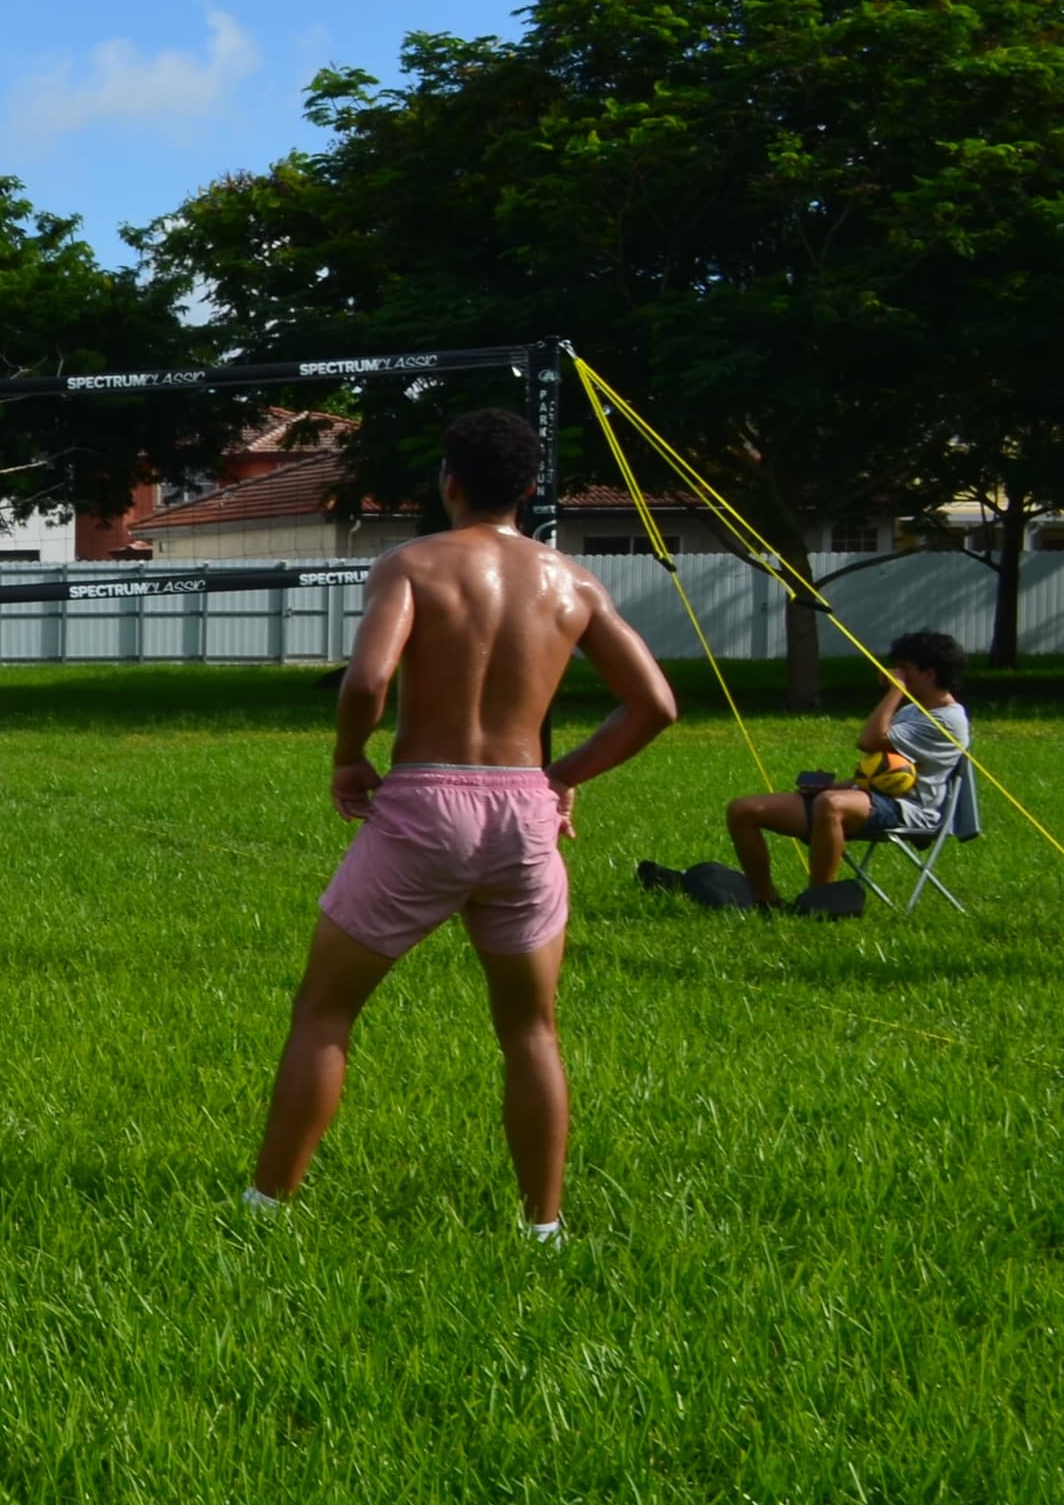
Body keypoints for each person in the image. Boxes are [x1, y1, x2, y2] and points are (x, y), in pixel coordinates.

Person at [244, 409, 678, 1241]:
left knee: (326, 1011)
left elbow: (368, 680)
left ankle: (266, 1209)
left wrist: (347, 756)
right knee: (529, 1029)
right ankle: (542, 1227)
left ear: (449, 480)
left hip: (426, 805)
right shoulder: (574, 582)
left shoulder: (411, 565)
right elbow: (655, 705)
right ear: (527, 490)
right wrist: (558, 777)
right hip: (523, 814)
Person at [717, 630, 972, 917]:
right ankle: (766, 902)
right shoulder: (913, 712)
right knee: (743, 811)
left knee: (831, 805)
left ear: (928, 673)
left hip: (910, 810)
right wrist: (831, 786)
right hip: (874, 799)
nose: (894, 674)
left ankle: (816, 904)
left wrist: (894, 692)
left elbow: (869, 740)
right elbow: (880, 770)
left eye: (904, 670)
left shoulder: (947, 720)